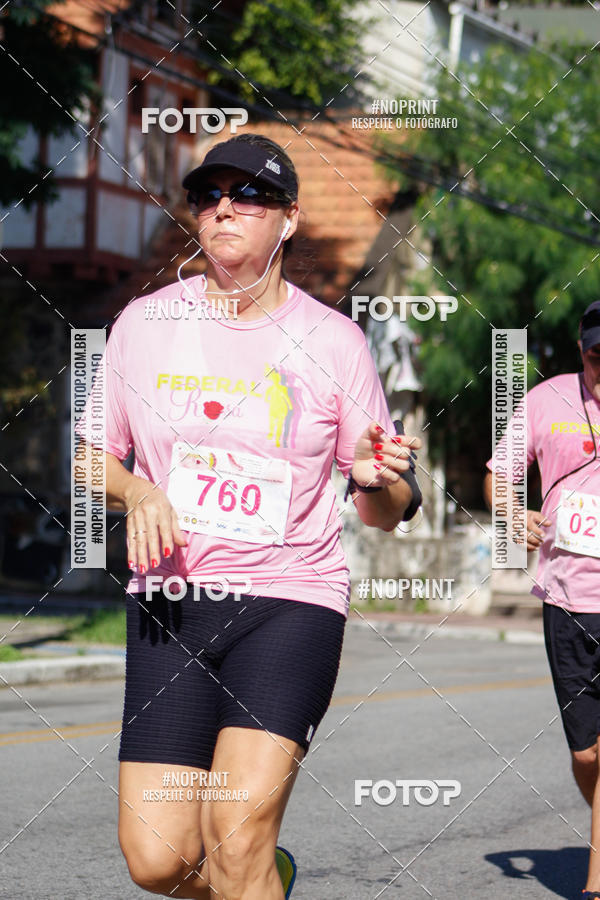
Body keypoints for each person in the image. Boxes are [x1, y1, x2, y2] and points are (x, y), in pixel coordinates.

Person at [77, 132, 422, 899]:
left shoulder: (334, 343)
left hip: (289, 603)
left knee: (237, 837)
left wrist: (376, 478)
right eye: (210, 195)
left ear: (289, 219)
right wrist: (138, 492)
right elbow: (90, 457)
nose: (225, 208)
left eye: (250, 196)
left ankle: (254, 873)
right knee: (159, 859)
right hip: (171, 604)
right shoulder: (143, 324)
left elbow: (384, 512)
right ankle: (269, 881)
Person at [484, 300, 600, 900]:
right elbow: (499, 474)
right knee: (587, 755)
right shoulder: (545, 398)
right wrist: (510, 508)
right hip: (566, 598)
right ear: (582, 347)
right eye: (596, 354)